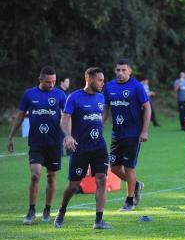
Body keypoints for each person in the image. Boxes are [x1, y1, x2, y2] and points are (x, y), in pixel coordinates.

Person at [8, 66, 66, 224]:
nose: (51, 84)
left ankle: (47, 209)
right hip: (36, 142)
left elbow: (67, 117)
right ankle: (32, 209)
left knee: (51, 176)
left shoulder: (60, 95)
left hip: (54, 142)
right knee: (35, 175)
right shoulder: (29, 94)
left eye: (54, 81)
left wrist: (69, 136)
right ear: (40, 80)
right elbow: (20, 116)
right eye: (48, 82)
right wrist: (11, 136)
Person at [54, 67, 111, 229]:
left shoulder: (101, 98)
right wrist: (68, 135)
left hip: (99, 146)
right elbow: (64, 120)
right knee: (74, 185)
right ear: (90, 79)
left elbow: (102, 117)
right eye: (100, 80)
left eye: (103, 80)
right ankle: (61, 212)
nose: (102, 83)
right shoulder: (74, 97)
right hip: (81, 148)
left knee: (102, 179)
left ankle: (99, 220)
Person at [103, 59, 151, 211]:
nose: (120, 73)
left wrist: (144, 130)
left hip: (133, 134)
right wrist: (101, 123)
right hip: (116, 134)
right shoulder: (109, 86)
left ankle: (129, 201)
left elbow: (147, 108)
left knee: (129, 167)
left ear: (130, 71)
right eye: (118, 70)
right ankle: (136, 184)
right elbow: (106, 107)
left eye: (123, 70)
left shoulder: (136, 86)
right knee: (115, 168)